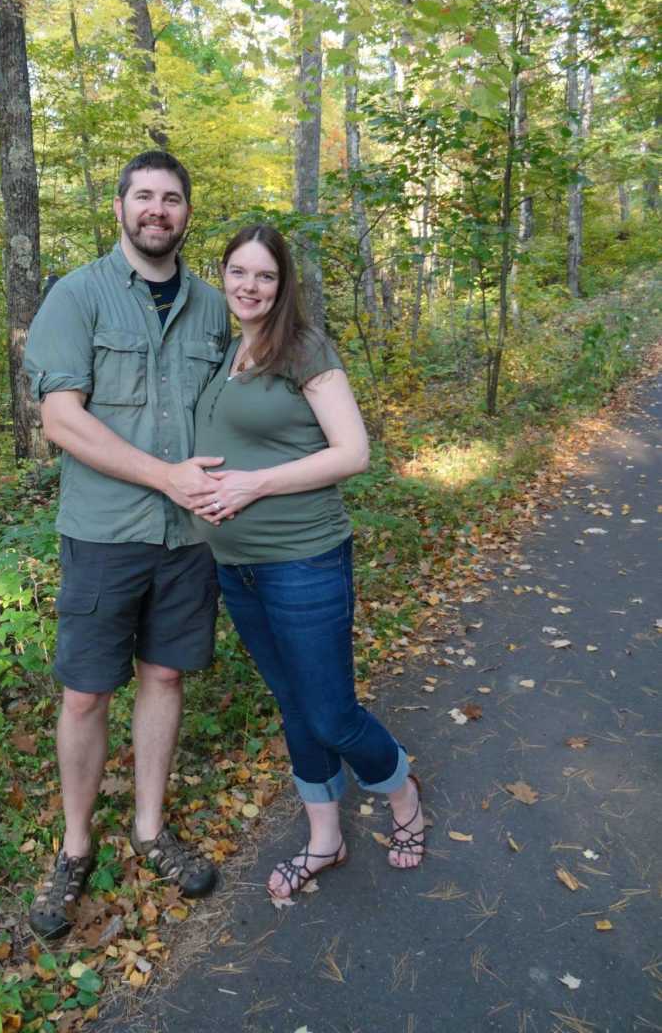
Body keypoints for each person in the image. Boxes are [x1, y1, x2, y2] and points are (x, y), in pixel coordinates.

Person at [23, 150, 230, 938]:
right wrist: (165, 476)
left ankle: (148, 829)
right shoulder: (77, 296)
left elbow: (237, 408)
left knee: (166, 677)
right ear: (119, 206)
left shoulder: (214, 307)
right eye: (144, 196)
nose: (157, 209)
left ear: (185, 212)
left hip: (189, 537)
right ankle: (75, 847)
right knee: (84, 691)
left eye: (171, 198)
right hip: (106, 532)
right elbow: (62, 420)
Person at [191, 224, 425, 899]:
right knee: (293, 703)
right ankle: (325, 839)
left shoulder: (303, 347)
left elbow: (352, 452)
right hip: (235, 565)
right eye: (238, 271)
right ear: (224, 274)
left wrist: (252, 484)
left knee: (329, 713)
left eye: (264, 275)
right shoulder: (225, 351)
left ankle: (402, 791)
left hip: (303, 559)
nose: (250, 286)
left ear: (283, 282)